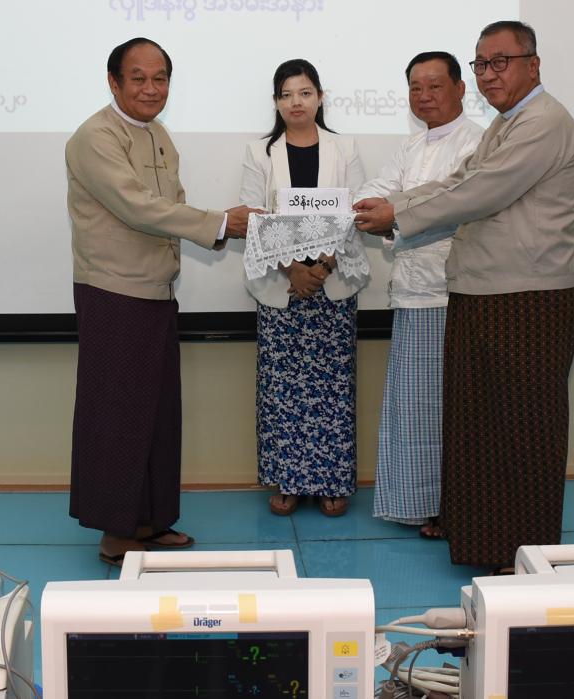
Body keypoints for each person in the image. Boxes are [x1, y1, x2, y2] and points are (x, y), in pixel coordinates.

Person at [354, 20, 574, 571]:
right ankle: (487, 541)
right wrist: (394, 209)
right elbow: (458, 180)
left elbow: (480, 191)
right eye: (482, 63)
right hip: (486, 294)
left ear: (533, 64)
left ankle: (521, 552)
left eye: (501, 61)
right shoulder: (506, 124)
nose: (489, 74)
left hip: (525, 299)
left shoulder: (543, 122)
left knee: (521, 430)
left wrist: (398, 215)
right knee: (481, 429)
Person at [65, 37, 258, 565]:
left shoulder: (159, 135)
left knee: (155, 413)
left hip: (156, 291)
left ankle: (150, 521)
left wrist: (222, 224)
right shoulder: (95, 137)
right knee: (117, 415)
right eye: (139, 78)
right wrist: (220, 223)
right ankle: (115, 530)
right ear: (113, 82)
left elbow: (171, 205)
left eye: (160, 79)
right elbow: (138, 207)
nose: (151, 89)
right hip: (114, 291)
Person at [354, 52, 483, 537]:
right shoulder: (410, 147)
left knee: (454, 413)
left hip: (454, 296)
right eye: (415, 87)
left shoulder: (478, 143)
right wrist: (354, 206)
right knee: (414, 412)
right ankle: (419, 504)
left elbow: (450, 207)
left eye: (434, 85)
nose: (424, 96)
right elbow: (378, 191)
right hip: (411, 295)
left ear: (460, 88)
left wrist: (393, 215)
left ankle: (456, 508)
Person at [240, 59, 367, 517]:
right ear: (276, 101)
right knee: (283, 391)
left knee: (333, 390)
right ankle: (290, 481)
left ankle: (332, 481)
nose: (296, 102)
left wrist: (324, 264)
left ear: (320, 97)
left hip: (333, 285)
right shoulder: (260, 153)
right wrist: (293, 269)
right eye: (287, 94)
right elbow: (253, 218)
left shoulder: (344, 148)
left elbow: (356, 213)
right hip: (283, 288)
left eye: (305, 92)